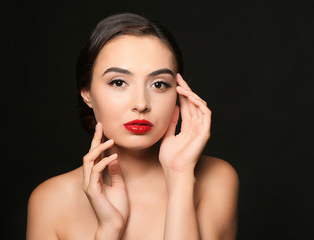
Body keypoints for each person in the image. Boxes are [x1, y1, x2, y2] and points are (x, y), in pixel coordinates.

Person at [26, 12, 239, 240]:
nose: (141, 104)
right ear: (87, 93)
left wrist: (180, 179)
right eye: (118, 82)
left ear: (178, 92)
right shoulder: (51, 201)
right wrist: (109, 230)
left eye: (159, 84)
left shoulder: (216, 179)